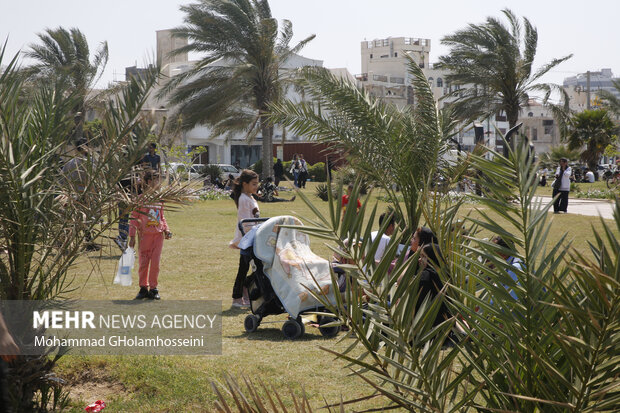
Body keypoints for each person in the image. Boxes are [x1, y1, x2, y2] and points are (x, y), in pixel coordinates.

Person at [129, 172, 172, 300]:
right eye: (156, 181)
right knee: (143, 262)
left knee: (155, 263)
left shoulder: (160, 199)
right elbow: (134, 218)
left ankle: (153, 289)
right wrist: (131, 236)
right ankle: (143, 288)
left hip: (158, 236)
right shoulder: (140, 199)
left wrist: (167, 230)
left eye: (159, 181)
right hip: (144, 236)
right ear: (148, 182)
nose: (159, 184)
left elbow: (162, 217)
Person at [230, 169, 260, 308]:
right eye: (253, 184)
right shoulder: (243, 199)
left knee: (258, 267)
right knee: (245, 268)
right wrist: (254, 233)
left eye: (257, 183)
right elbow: (245, 222)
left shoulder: (250, 197)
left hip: (254, 238)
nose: (256, 186)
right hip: (247, 240)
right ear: (244, 184)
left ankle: (246, 288)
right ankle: (237, 297)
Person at [417, 243, 452, 328]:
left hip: (427, 325)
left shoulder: (425, 277)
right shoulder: (446, 274)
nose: (419, 259)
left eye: (423, 256)